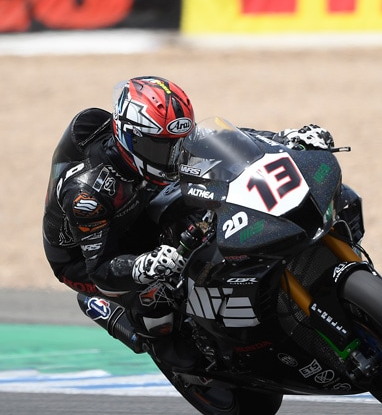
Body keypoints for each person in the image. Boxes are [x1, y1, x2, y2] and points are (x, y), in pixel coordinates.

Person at [42, 76, 334, 366]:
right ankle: (186, 362)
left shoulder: (154, 147)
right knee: (158, 303)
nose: (173, 157)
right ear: (129, 137)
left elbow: (223, 142)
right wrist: (144, 265)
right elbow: (100, 269)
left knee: (208, 210)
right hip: (86, 257)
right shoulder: (87, 193)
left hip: (140, 201)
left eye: (177, 144)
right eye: (161, 148)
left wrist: (284, 139)